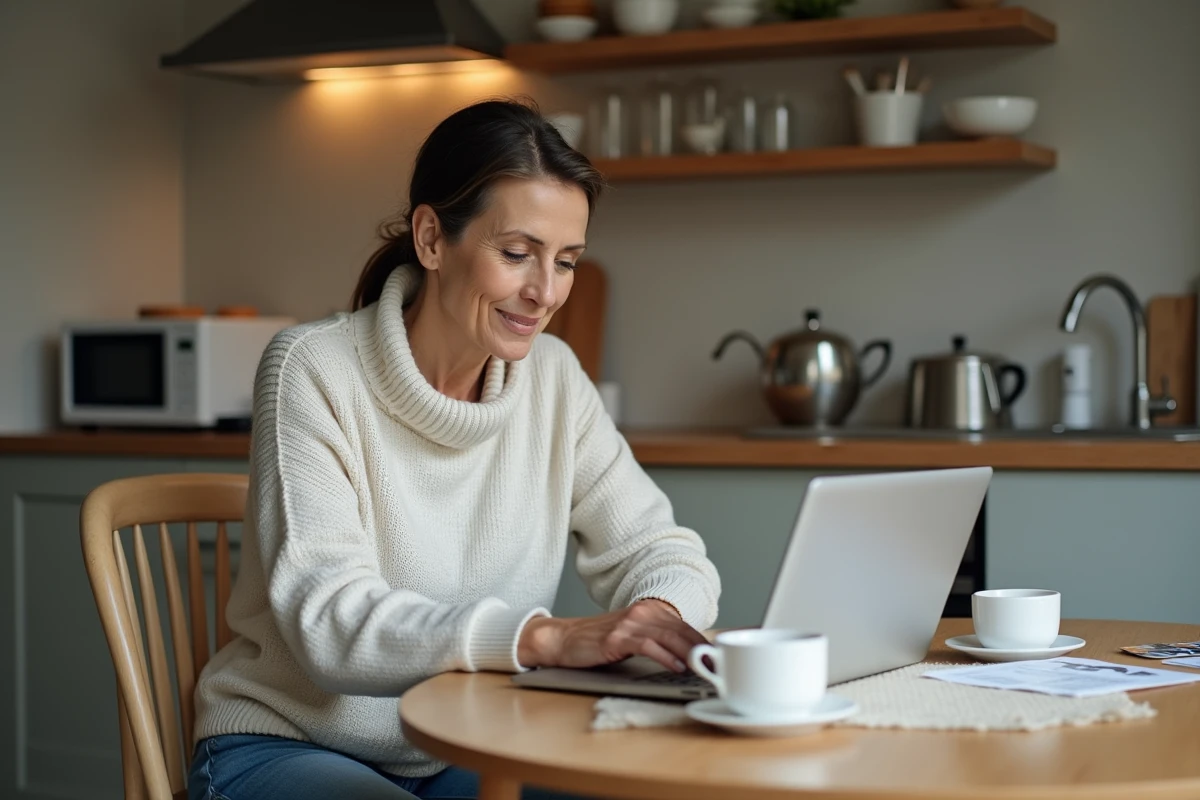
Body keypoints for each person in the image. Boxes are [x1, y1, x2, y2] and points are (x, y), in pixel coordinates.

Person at [187, 99, 721, 800]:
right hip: (286, 742)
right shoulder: (312, 369)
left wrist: (657, 617)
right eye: (517, 254)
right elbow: (329, 622)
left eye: (565, 262)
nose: (545, 292)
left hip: (466, 742)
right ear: (433, 239)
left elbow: (663, 549)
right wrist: (542, 641)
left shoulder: (553, 378)